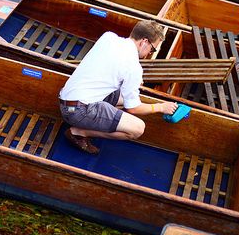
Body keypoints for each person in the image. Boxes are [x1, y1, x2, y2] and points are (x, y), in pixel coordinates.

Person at [59, 20, 179, 155]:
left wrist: (131, 81)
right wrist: (161, 107)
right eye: (152, 49)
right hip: (77, 112)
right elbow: (132, 108)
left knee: (122, 98)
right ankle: (78, 133)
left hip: (65, 102)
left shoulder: (108, 37)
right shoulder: (133, 67)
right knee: (138, 128)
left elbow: (110, 68)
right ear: (144, 41)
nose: (150, 53)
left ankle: (91, 121)